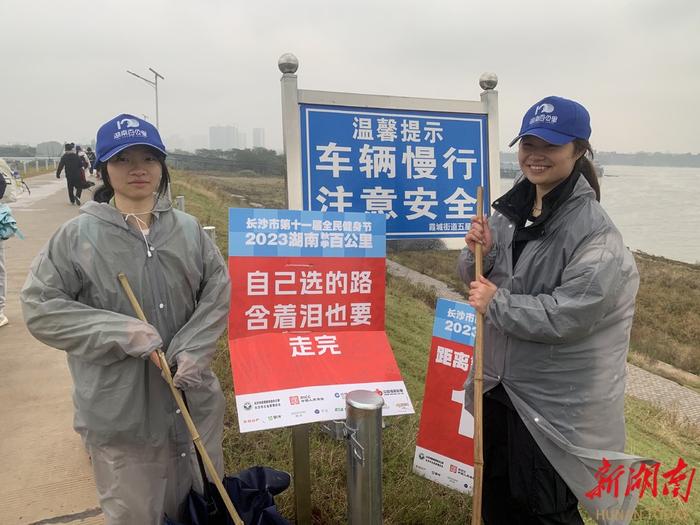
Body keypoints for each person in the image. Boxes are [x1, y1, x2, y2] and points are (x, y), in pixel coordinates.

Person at [21, 114, 230, 524]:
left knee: (201, 506)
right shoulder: (77, 237)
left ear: (162, 166)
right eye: (123, 159)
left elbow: (217, 292)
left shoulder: (189, 231)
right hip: (122, 413)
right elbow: (41, 307)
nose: (138, 169)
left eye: (149, 158)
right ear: (102, 168)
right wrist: (123, 331)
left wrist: (193, 348)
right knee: (137, 512)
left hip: (193, 403)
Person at [458, 96, 647, 524]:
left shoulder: (595, 232)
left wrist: (498, 301)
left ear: (579, 151)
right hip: (498, 383)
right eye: (528, 143)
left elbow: (571, 313)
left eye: (550, 146)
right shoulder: (509, 213)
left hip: (551, 400)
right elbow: (476, 281)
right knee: (496, 493)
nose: (535, 156)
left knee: (544, 507)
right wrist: (479, 254)